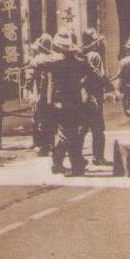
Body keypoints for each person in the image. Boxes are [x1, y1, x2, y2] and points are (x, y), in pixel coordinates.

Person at [43, 29, 98, 177]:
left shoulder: (54, 62)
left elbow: (38, 63)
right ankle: (74, 165)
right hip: (73, 102)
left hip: (59, 103)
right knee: (72, 135)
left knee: (66, 135)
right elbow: (94, 75)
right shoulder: (79, 62)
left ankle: (59, 163)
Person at [81, 28, 113, 166]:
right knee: (98, 129)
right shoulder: (95, 55)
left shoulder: (79, 55)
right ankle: (98, 157)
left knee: (82, 128)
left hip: (81, 96)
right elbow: (99, 76)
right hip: (94, 95)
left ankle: (78, 157)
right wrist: (109, 86)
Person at [25, 34, 55, 157]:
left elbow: (30, 78)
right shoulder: (55, 58)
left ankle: (43, 147)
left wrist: (27, 89)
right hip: (54, 95)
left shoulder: (36, 60)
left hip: (41, 94)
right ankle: (52, 145)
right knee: (52, 120)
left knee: (41, 120)